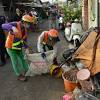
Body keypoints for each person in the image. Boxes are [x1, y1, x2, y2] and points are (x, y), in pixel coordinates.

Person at [2, 15, 34, 81]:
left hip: (18, 47)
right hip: (10, 47)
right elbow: (3, 25)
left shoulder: (25, 29)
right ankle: (19, 75)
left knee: (23, 59)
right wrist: (12, 27)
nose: (29, 26)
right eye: (29, 24)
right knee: (15, 61)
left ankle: (27, 71)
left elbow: (24, 40)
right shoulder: (15, 24)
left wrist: (26, 48)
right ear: (24, 22)